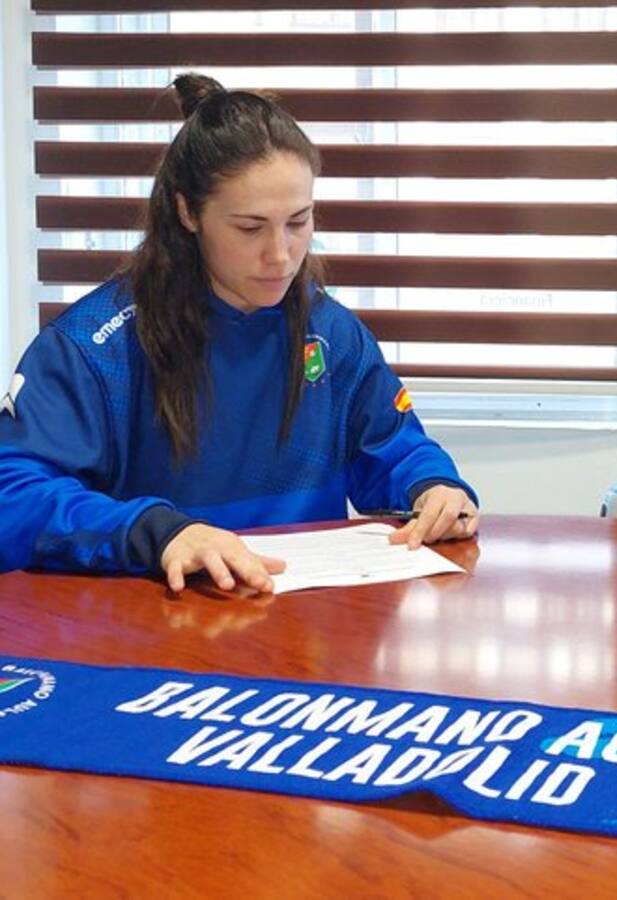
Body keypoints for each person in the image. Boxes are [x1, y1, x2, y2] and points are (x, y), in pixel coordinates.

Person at [0, 73, 478, 593]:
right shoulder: (96, 347)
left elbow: (392, 447)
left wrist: (433, 487)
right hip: (155, 628)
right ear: (188, 212)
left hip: (305, 628)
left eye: (298, 222)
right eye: (250, 228)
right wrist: (158, 534)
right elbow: (15, 496)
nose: (281, 254)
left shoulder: (331, 332)